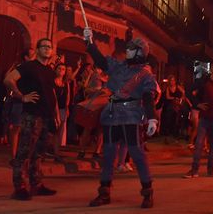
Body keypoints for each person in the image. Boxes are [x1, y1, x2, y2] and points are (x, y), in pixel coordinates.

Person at [82, 29, 159, 208]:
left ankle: (147, 192)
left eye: (132, 49)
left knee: (138, 155)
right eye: (129, 48)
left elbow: (148, 97)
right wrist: (89, 42)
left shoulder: (146, 75)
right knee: (108, 155)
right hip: (111, 115)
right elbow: (101, 61)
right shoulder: (118, 66)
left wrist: (152, 118)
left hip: (131, 116)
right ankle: (104, 192)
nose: (128, 51)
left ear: (140, 53)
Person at [4, 38, 59, 200]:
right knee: (24, 152)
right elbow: (8, 79)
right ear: (38, 49)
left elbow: (51, 94)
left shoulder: (50, 71)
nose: (47, 49)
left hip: (47, 116)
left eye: (50, 47)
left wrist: (55, 115)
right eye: (44, 47)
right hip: (32, 115)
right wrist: (21, 96)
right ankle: (19, 187)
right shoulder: (29, 66)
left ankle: (36, 184)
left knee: (38, 154)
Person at [51, 63, 70, 162]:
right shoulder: (52, 82)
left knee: (59, 132)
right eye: (59, 68)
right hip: (53, 109)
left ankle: (56, 153)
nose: (61, 71)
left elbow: (68, 97)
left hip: (62, 109)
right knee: (51, 131)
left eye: (63, 69)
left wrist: (67, 108)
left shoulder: (65, 83)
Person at [161, 75, 184, 144]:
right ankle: (167, 137)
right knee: (168, 120)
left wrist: (180, 99)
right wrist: (175, 98)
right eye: (171, 80)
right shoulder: (168, 88)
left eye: (173, 80)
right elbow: (168, 97)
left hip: (177, 106)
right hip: (169, 106)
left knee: (177, 120)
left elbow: (183, 92)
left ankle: (176, 136)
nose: (172, 82)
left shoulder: (178, 87)